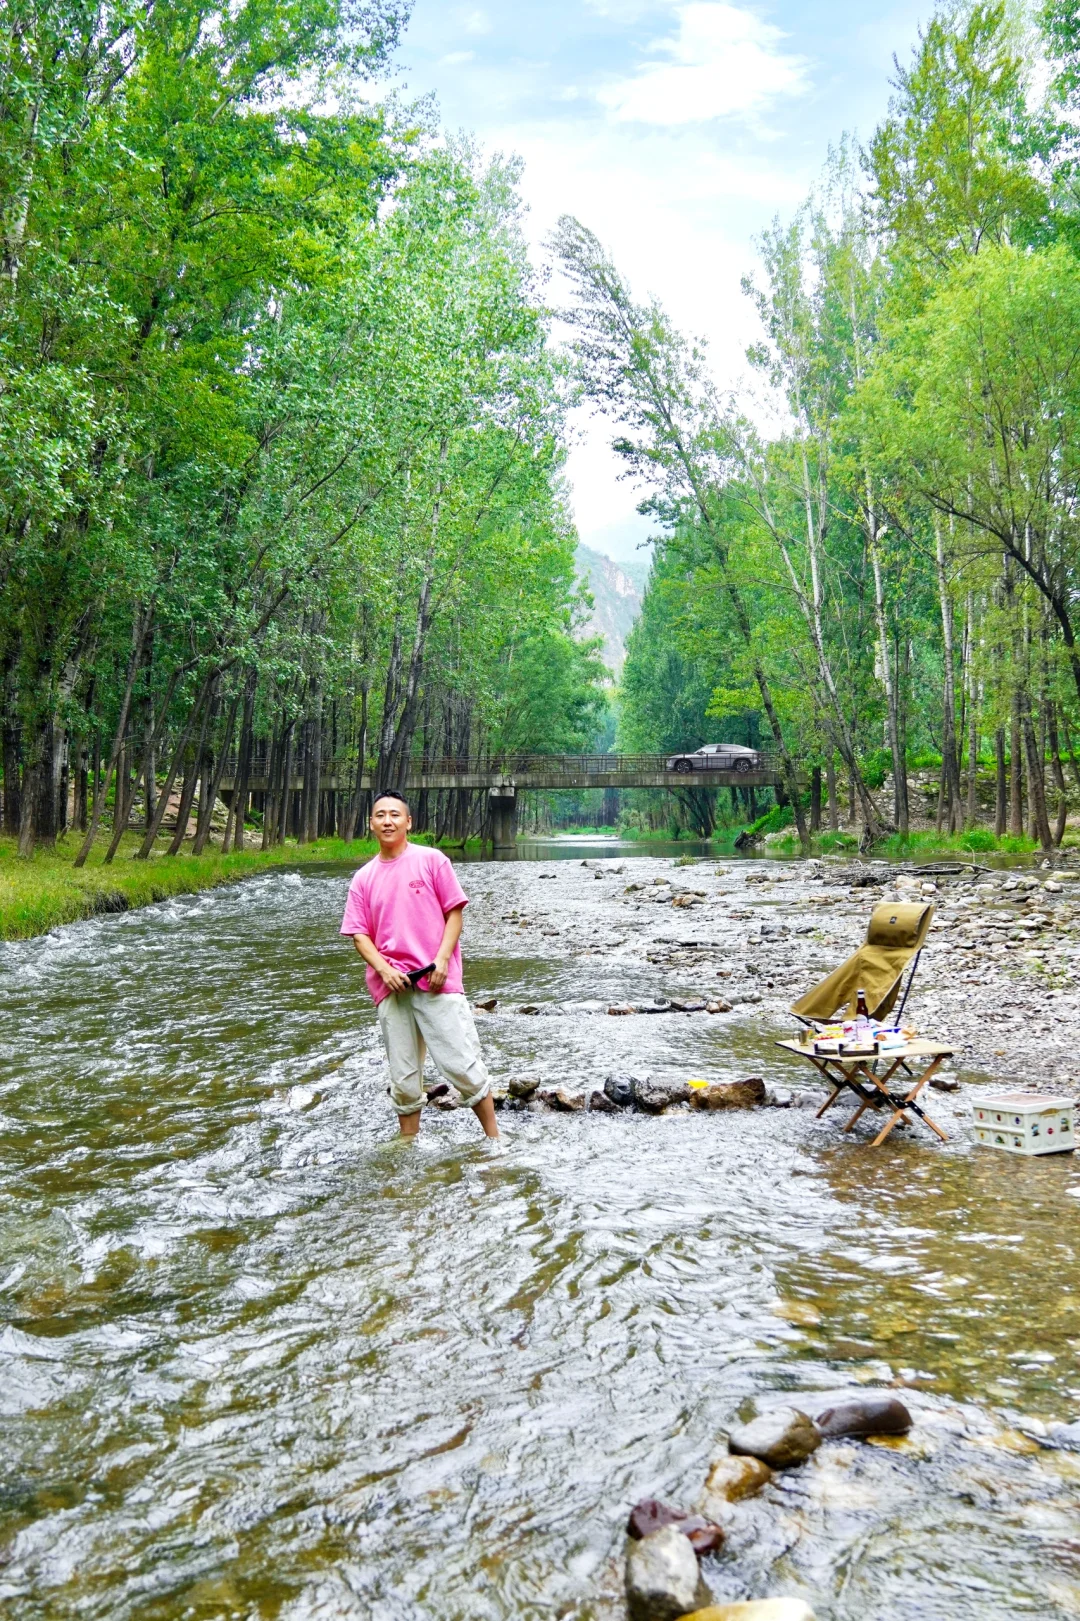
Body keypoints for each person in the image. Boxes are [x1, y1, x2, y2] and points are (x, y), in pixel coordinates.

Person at [340, 790, 500, 1141]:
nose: (387, 820)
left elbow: (454, 912)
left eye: (395, 814)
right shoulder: (363, 878)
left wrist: (442, 959)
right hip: (391, 987)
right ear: (371, 823)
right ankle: (408, 1145)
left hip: (436, 980)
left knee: (462, 1064)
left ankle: (495, 1139)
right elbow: (358, 935)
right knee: (403, 1075)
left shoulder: (431, 860)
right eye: (380, 815)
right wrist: (384, 969)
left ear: (408, 822)